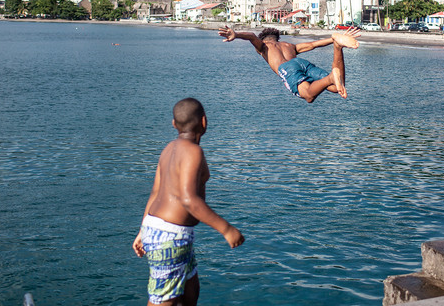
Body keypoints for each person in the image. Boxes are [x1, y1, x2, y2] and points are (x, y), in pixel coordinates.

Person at [132, 98, 244, 306]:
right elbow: (188, 199)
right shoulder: (194, 152)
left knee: (190, 292)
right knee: (164, 300)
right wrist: (226, 229)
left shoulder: (168, 149)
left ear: (174, 124)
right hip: (170, 237)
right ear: (204, 122)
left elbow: (156, 191)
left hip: (164, 231)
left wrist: (143, 229)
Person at [218, 25, 360, 103]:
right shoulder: (289, 45)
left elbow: (251, 36)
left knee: (308, 96)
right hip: (301, 62)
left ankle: (330, 77)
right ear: (277, 38)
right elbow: (313, 44)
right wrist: (332, 39)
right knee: (336, 87)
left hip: (287, 68)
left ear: (265, 39)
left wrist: (235, 34)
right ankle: (337, 46)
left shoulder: (263, 47)